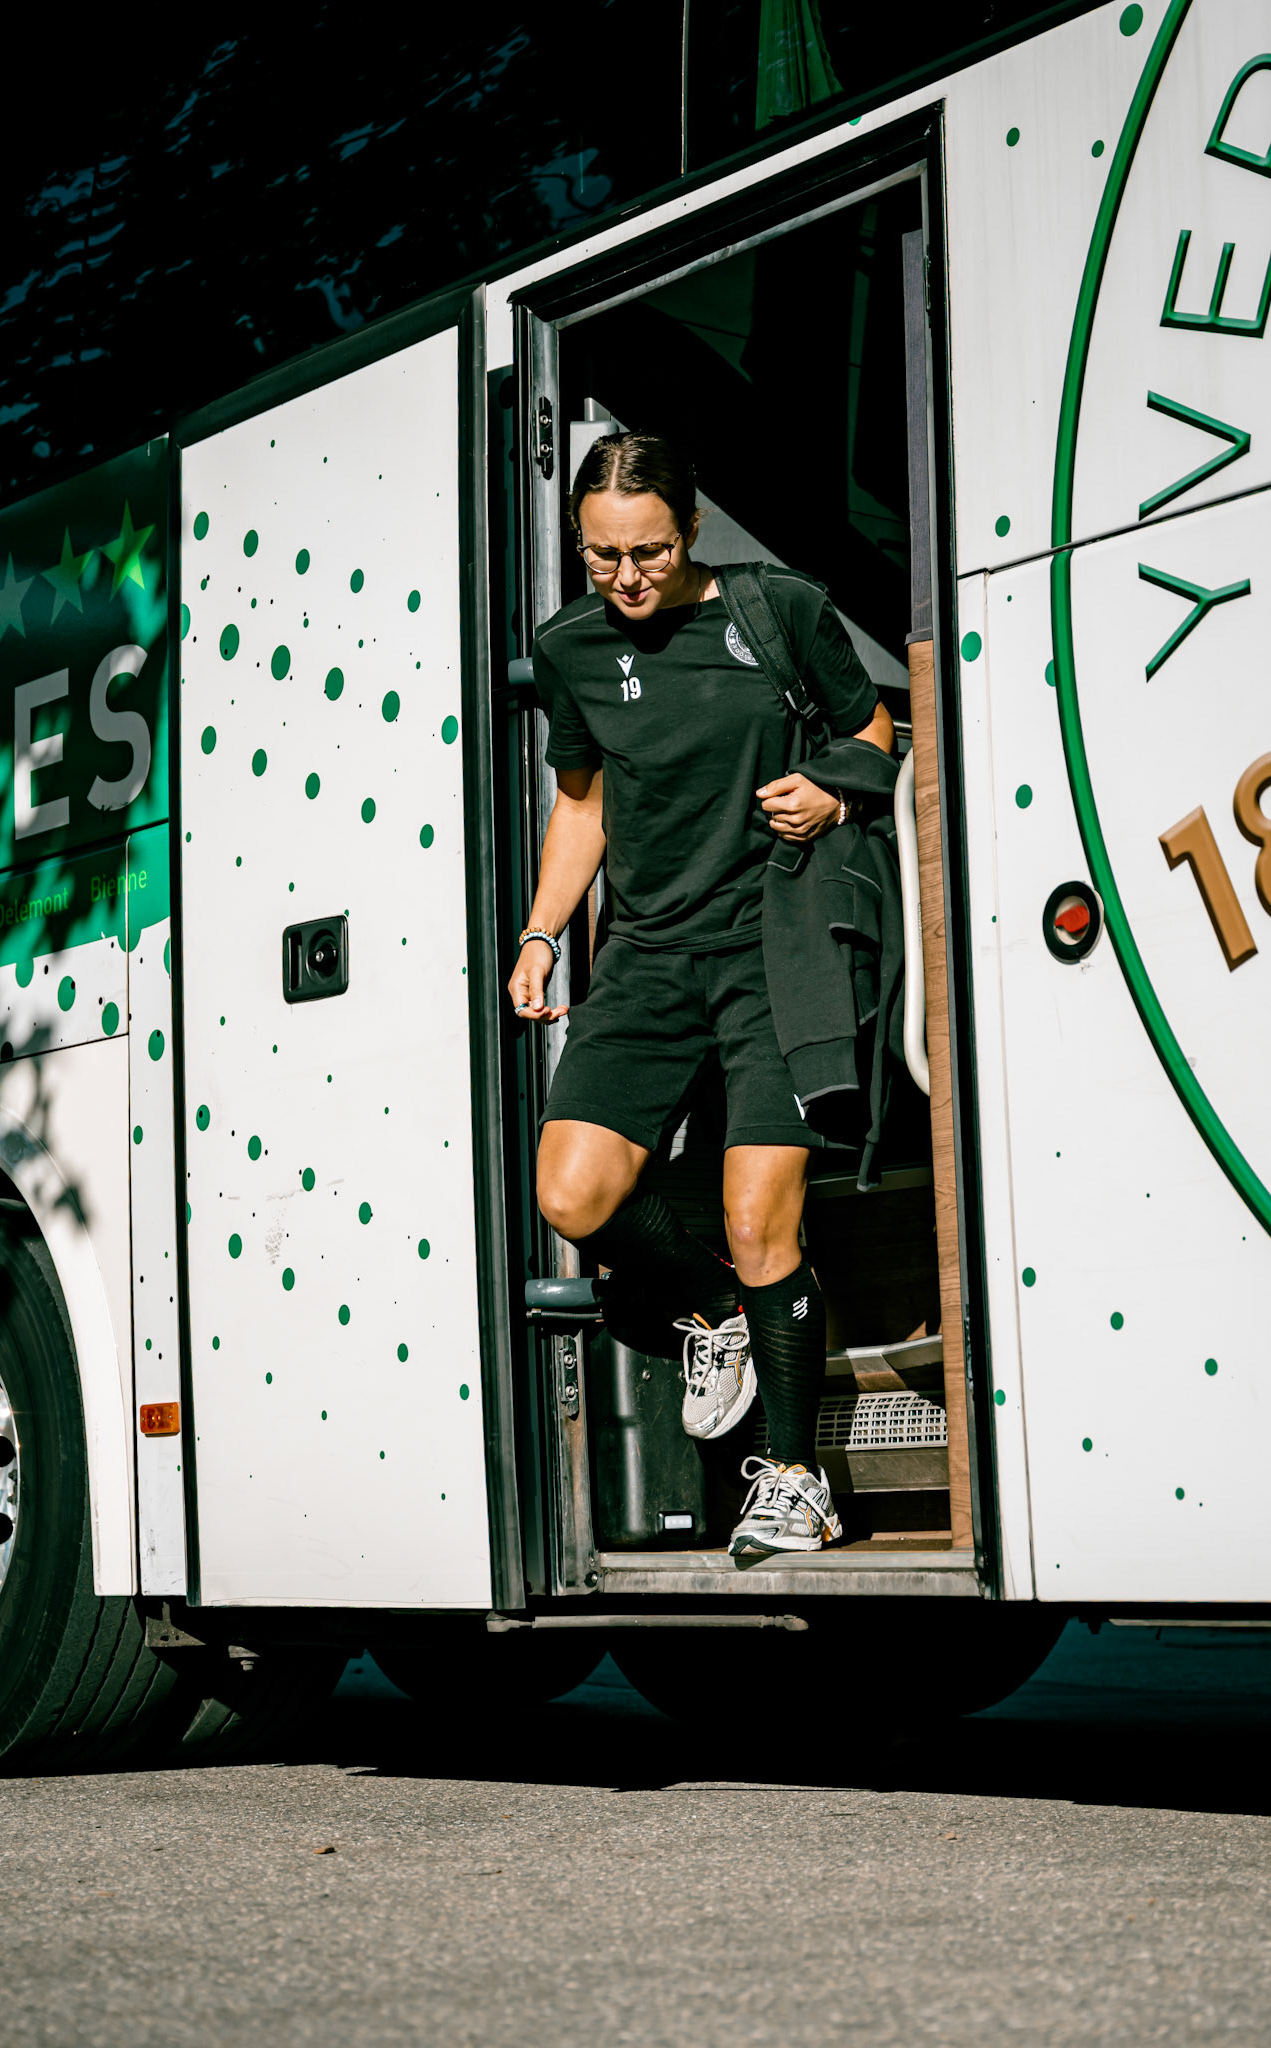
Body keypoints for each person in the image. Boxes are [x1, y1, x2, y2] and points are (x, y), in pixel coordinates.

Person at [508, 432, 894, 1555]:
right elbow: (582, 807)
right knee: (573, 1193)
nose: (627, 578)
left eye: (650, 552)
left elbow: (868, 728)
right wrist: (543, 933)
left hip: (775, 938)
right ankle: (717, 1315)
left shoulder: (776, 610)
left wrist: (829, 789)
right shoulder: (571, 649)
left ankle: (794, 1476)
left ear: (691, 533)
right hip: (645, 953)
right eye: (601, 557)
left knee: (755, 1214)